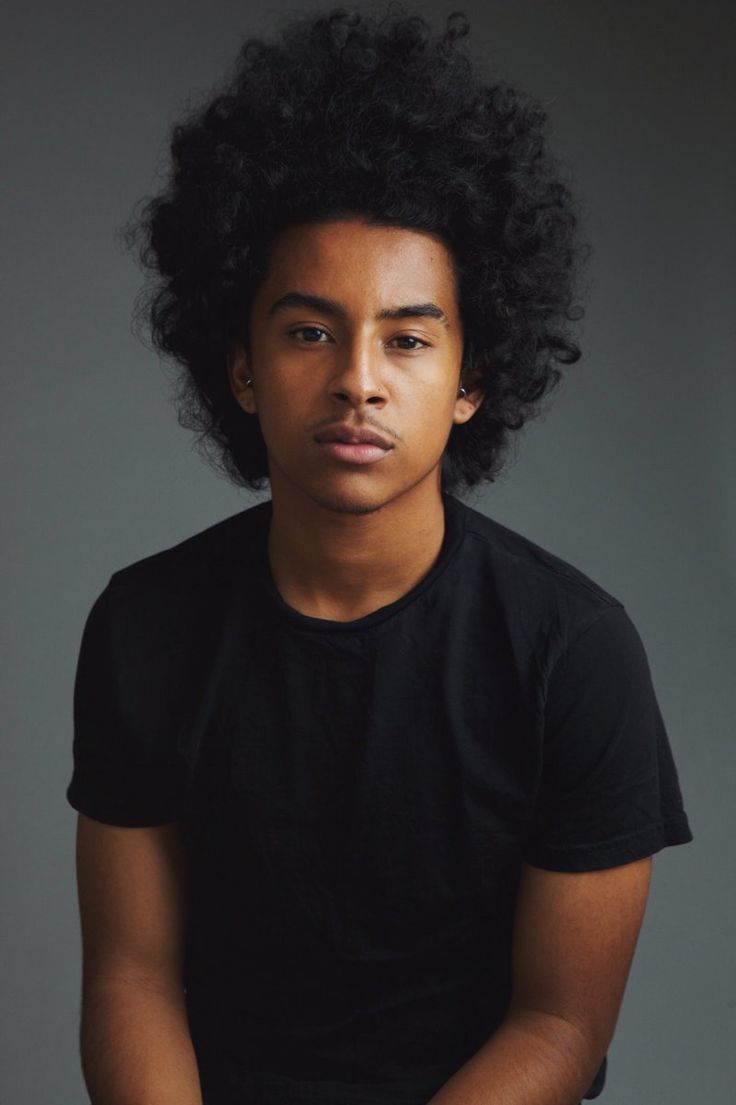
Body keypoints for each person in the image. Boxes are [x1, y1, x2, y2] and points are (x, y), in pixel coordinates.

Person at [66, 5, 694, 1104]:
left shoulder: (573, 652)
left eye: (407, 338)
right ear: (244, 366)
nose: (358, 377)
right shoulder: (146, 626)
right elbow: (132, 980)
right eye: (309, 331)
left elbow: (557, 1024)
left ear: (468, 382)